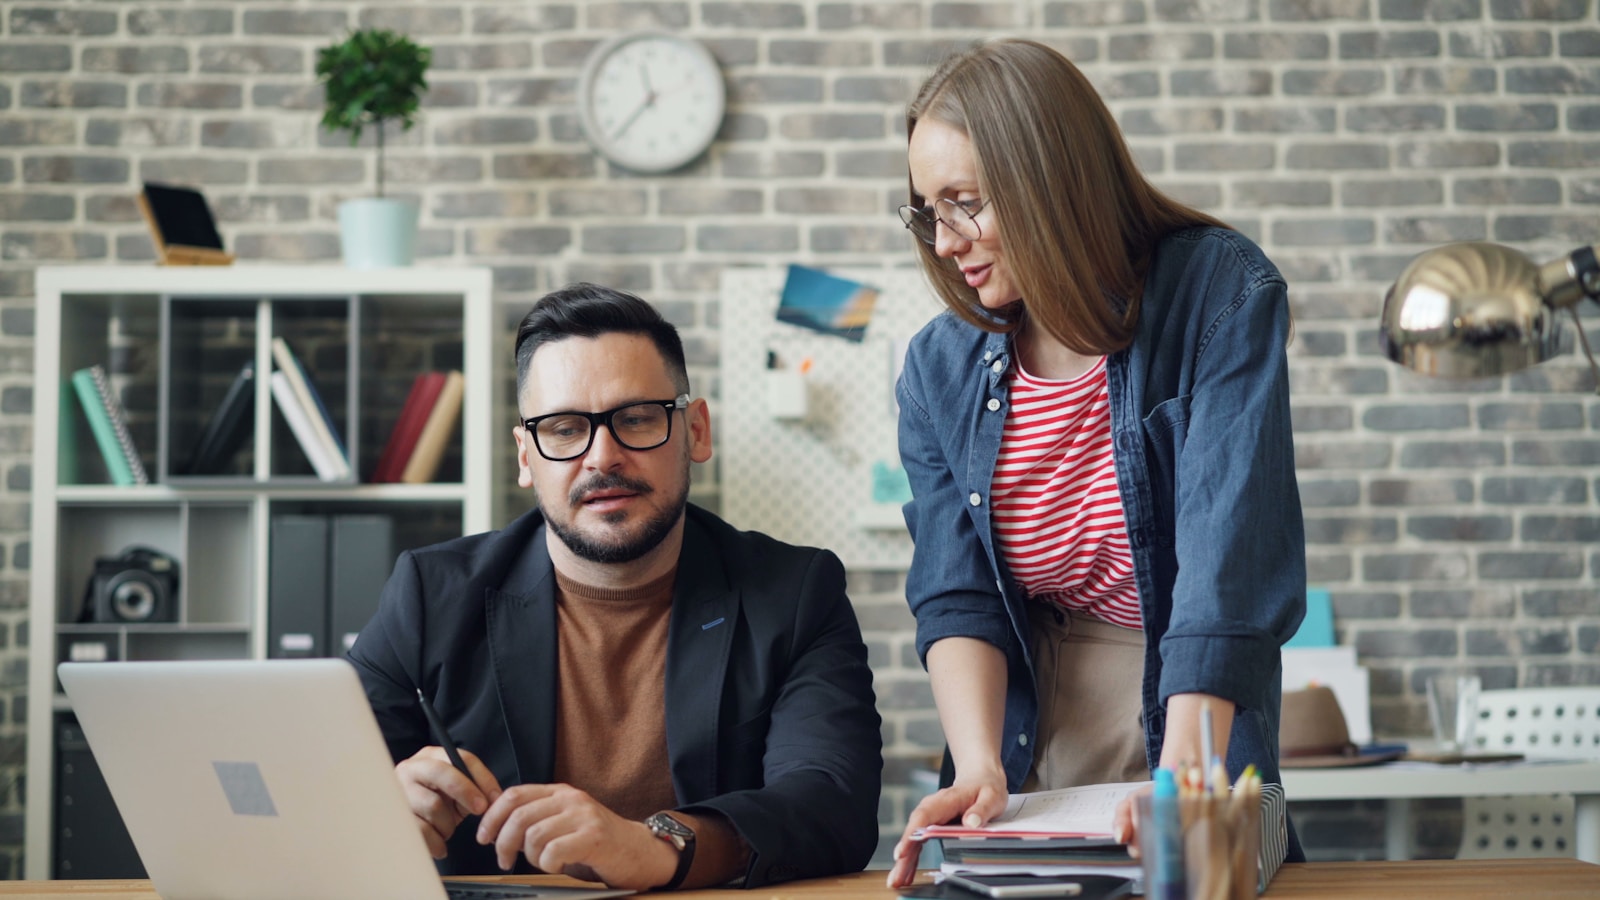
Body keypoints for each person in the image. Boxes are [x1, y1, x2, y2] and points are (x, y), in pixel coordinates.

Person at [886, 39, 1307, 886]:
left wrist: (1184, 776)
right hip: (1023, 718)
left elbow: (1230, 556)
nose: (942, 240)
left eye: (964, 204)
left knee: (1184, 879)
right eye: (926, 211)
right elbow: (956, 589)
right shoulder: (938, 366)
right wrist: (977, 770)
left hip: (1187, 696)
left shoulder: (1217, 292)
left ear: (1046, 179)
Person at [348, 283, 883, 890]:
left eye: (635, 419)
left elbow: (832, 803)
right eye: (565, 428)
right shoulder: (430, 593)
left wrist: (655, 845)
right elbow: (317, 782)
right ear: (526, 455)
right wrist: (375, 805)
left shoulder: (793, 593)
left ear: (696, 432)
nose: (602, 456)